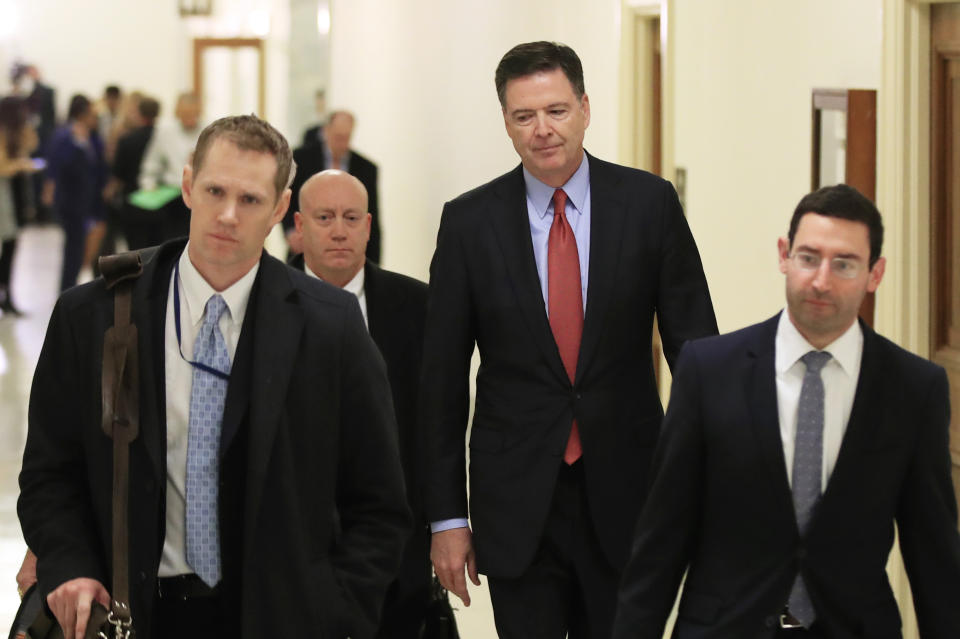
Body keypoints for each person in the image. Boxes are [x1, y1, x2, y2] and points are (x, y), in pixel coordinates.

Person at [19, 114, 411, 639]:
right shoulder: (92, 315)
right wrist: (69, 563)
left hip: (276, 616)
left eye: (249, 200)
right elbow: (50, 473)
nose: (227, 214)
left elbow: (379, 501)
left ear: (278, 209)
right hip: (134, 611)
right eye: (214, 191)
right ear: (187, 187)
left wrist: (335, 613)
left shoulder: (331, 327)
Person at [420, 41, 717, 639]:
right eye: (524, 116)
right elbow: (441, 382)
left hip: (629, 495)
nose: (543, 130)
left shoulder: (648, 205)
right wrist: (447, 518)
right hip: (516, 505)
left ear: (585, 107)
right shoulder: (469, 223)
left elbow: (698, 355)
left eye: (556, 110)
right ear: (505, 123)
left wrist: (709, 485)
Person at [612, 184, 960, 639]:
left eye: (844, 264)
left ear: (875, 273)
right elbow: (660, 543)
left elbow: (933, 559)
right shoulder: (710, 372)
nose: (821, 279)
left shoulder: (914, 390)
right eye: (809, 257)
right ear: (784, 255)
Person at [290, 169, 434, 638]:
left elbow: (435, 428)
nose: (338, 230)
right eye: (324, 217)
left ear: (369, 227)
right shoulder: (262, 303)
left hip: (395, 546)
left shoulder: (416, 307)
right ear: (299, 227)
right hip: (290, 547)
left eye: (351, 218)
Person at [284, 110, 381, 262]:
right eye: (338, 137)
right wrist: (290, 231)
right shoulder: (301, 159)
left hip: (347, 252)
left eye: (346, 137)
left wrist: (374, 267)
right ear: (326, 131)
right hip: (305, 248)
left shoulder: (367, 168)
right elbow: (287, 198)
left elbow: (373, 218)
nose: (342, 143)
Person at [43, 94, 107, 291]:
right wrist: (49, 191)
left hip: (89, 199)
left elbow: (99, 162)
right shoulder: (65, 135)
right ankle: (67, 289)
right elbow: (56, 165)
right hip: (70, 200)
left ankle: (77, 285)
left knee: (85, 246)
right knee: (73, 248)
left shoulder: (92, 135)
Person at [138, 92, 202, 240]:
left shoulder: (207, 130)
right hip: (173, 197)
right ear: (177, 113)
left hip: (198, 195)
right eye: (185, 114)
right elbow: (151, 163)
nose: (189, 119)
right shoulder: (166, 132)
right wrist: (148, 185)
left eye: (192, 114)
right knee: (174, 240)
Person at [0, 96, 39, 315]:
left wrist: (26, 127)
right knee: (6, 246)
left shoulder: (17, 131)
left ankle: (7, 295)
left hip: (15, 195)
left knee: (11, 248)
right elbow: (2, 166)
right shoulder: (2, 133)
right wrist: (21, 164)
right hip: (3, 196)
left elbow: (33, 143)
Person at [110, 96, 162, 249]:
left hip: (132, 200)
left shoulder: (127, 140)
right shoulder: (161, 138)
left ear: (139, 113)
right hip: (159, 201)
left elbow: (118, 174)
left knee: (135, 250)